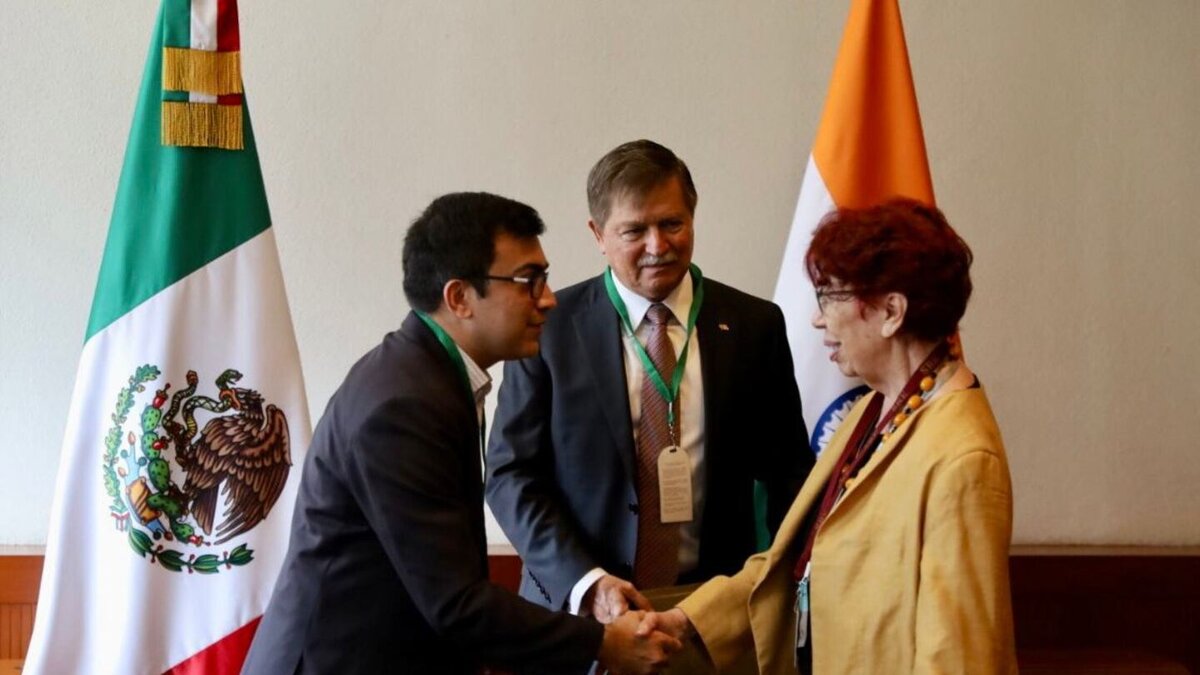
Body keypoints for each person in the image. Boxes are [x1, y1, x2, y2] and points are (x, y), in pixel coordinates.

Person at [242, 192, 680, 675]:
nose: (549, 299)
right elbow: (456, 605)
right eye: (529, 281)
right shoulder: (401, 407)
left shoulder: (426, 375)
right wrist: (603, 644)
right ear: (459, 298)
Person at [639, 198, 1017, 674]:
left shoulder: (963, 456)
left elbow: (959, 656)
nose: (818, 319)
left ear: (891, 311)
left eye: (830, 297)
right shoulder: (872, 410)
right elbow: (793, 562)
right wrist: (683, 621)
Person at [485, 140, 812, 624]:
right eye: (635, 230)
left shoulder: (753, 325)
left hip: (710, 613)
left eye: (671, 224)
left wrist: (781, 595)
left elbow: (789, 473)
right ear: (598, 234)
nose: (658, 246)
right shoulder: (550, 329)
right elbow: (511, 475)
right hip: (579, 613)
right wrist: (587, 583)